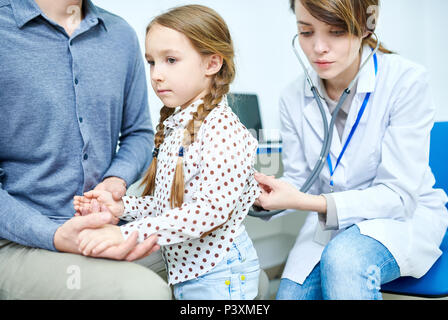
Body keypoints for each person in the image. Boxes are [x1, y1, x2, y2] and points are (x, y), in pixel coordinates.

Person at [254, 0, 448, 300]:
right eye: (306, 32)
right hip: (330, 226)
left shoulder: (405, 81)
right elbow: (299, 179)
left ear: (366, 27)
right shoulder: (292, 97)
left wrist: (315, 203)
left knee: (344, 260)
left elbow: (398, 195)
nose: (318, 47)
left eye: (336, 31)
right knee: (289, 296)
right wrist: (259, 198)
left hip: (402, 217)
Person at [73, 4, 262, 300]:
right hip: (192, 272)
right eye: (151, 62)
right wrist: (121, 209)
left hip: (219, 276)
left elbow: (205, 214)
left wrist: (124, 233)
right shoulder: (180, 127)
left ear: (212, 64)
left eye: (171, 60)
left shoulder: (223, 131)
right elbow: (172, 207)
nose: (157, 75)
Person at [0, 0, 171, 299]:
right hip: (17, 239)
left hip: (105, 228)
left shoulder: (120, 35)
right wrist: (53, 235)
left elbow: (138, 133)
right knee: (143, 293)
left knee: (235, 272)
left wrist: (114, 181)